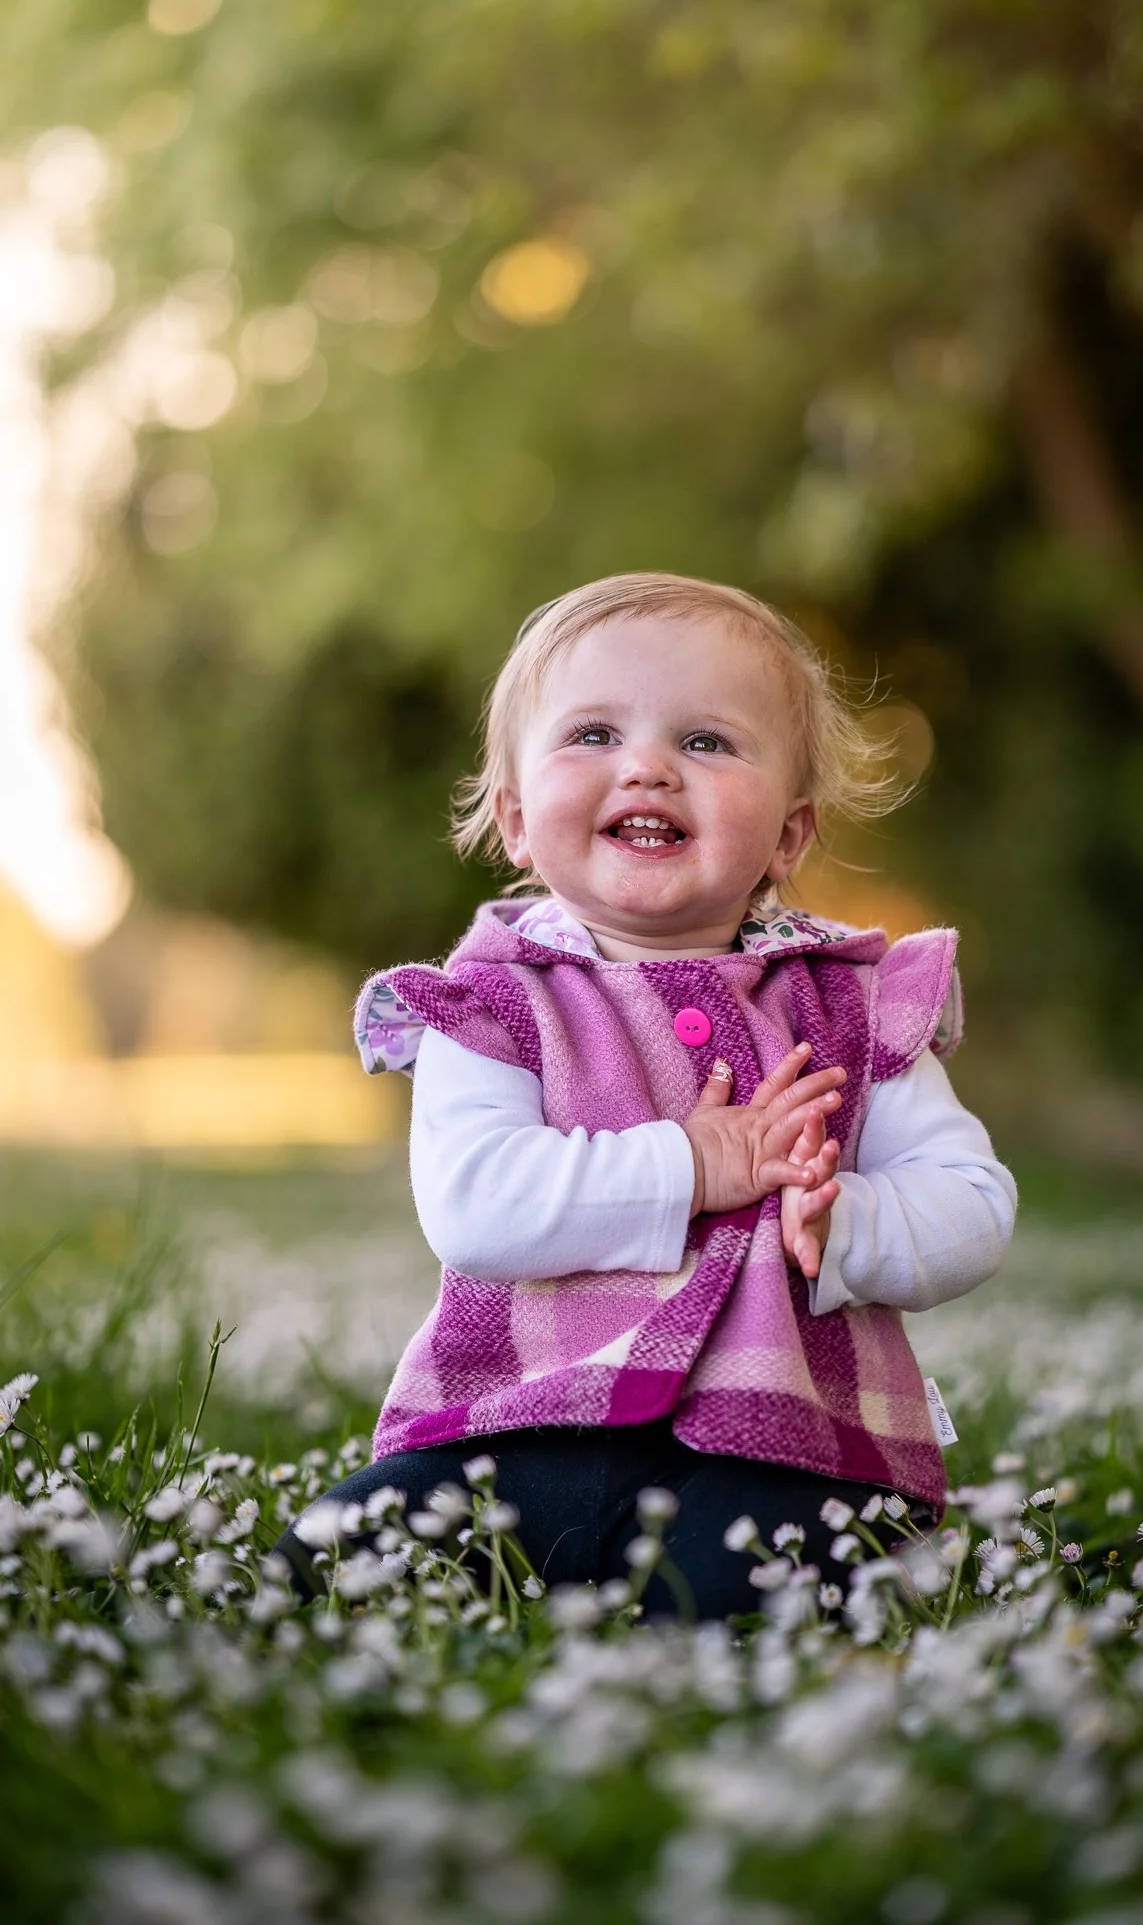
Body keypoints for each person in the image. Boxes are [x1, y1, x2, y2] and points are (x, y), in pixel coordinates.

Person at [280, 574, 1016, 1617]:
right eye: (592, 733)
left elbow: (972, 1199)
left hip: (778, 1448)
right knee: (336, 1555)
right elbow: (477, 1204)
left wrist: (848, 1223)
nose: (647, 766)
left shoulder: (851, 1007)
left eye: (708, 742)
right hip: (514, 1437)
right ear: (517, 817)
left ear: (790, 837)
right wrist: (694, 1162)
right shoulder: (485, 1003)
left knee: (770, 1589)